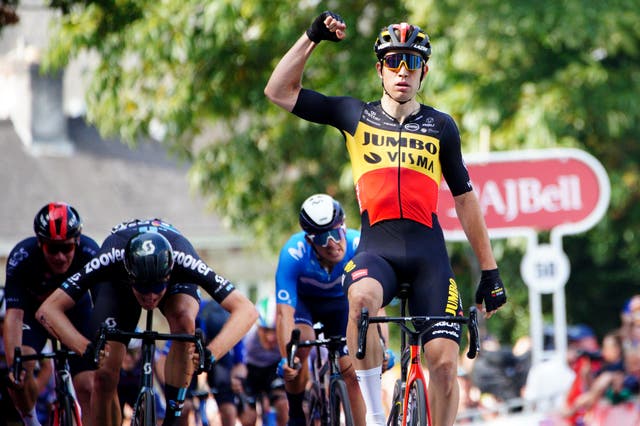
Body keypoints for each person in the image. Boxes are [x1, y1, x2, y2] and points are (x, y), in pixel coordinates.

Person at [265, 13, 507, 426]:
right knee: (360, 300)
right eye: (393, 61)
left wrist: (490, 271)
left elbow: (466, 200)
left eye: (411, 62)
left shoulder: (441, 127)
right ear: (379, 68)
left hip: (429, 255)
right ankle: (376, 419)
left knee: (445, 365)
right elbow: (278, 91)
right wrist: (312, 38)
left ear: (423, 71)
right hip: (378, 251)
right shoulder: (353, 115)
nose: (402, 71)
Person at [35, 218, 258, 426]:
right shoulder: (110, 258)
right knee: (104, 375)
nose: (150, 296)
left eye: (157, 288)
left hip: (173, 263)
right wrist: (84, 348)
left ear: (169, 275)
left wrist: (211, 353)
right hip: (118, 284)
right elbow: (48, 310)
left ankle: (173, 413)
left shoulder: (184, 259)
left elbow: (247, 310)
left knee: (184, 322)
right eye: (142, 288)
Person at [3, 202, 99, 425]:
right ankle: (31, 422)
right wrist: (14, 365)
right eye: (52, 249)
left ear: (77, 241)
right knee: (21, 367)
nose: (60, 256)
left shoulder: (90, 252)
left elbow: (103, 304)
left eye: (66, 248)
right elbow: (14, 316)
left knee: (88, 385)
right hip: (32, 316)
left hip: (76, 315)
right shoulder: (22, 256)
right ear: (39, 243)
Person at [274, 193, 365, 426]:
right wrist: (287, 358)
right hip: (306, 306)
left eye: (336, 233)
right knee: (301, 346)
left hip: (341, 306)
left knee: (352, 371)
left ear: (344, 227)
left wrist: (382, 346)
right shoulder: (293, 254)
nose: (332, 244)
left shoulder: (358, 244)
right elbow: (284, 313)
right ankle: (296, 413)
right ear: (309, 240)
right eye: (323, 239)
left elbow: (374, 304)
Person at [236, 295, 287, 426]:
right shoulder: (247, 337)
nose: (271, 337)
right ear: (258, 327)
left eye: (274, 331)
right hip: (251, 371)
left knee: (283, 406)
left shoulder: (286, 335)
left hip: (273, 370)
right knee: (248, 418)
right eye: (265, 330)